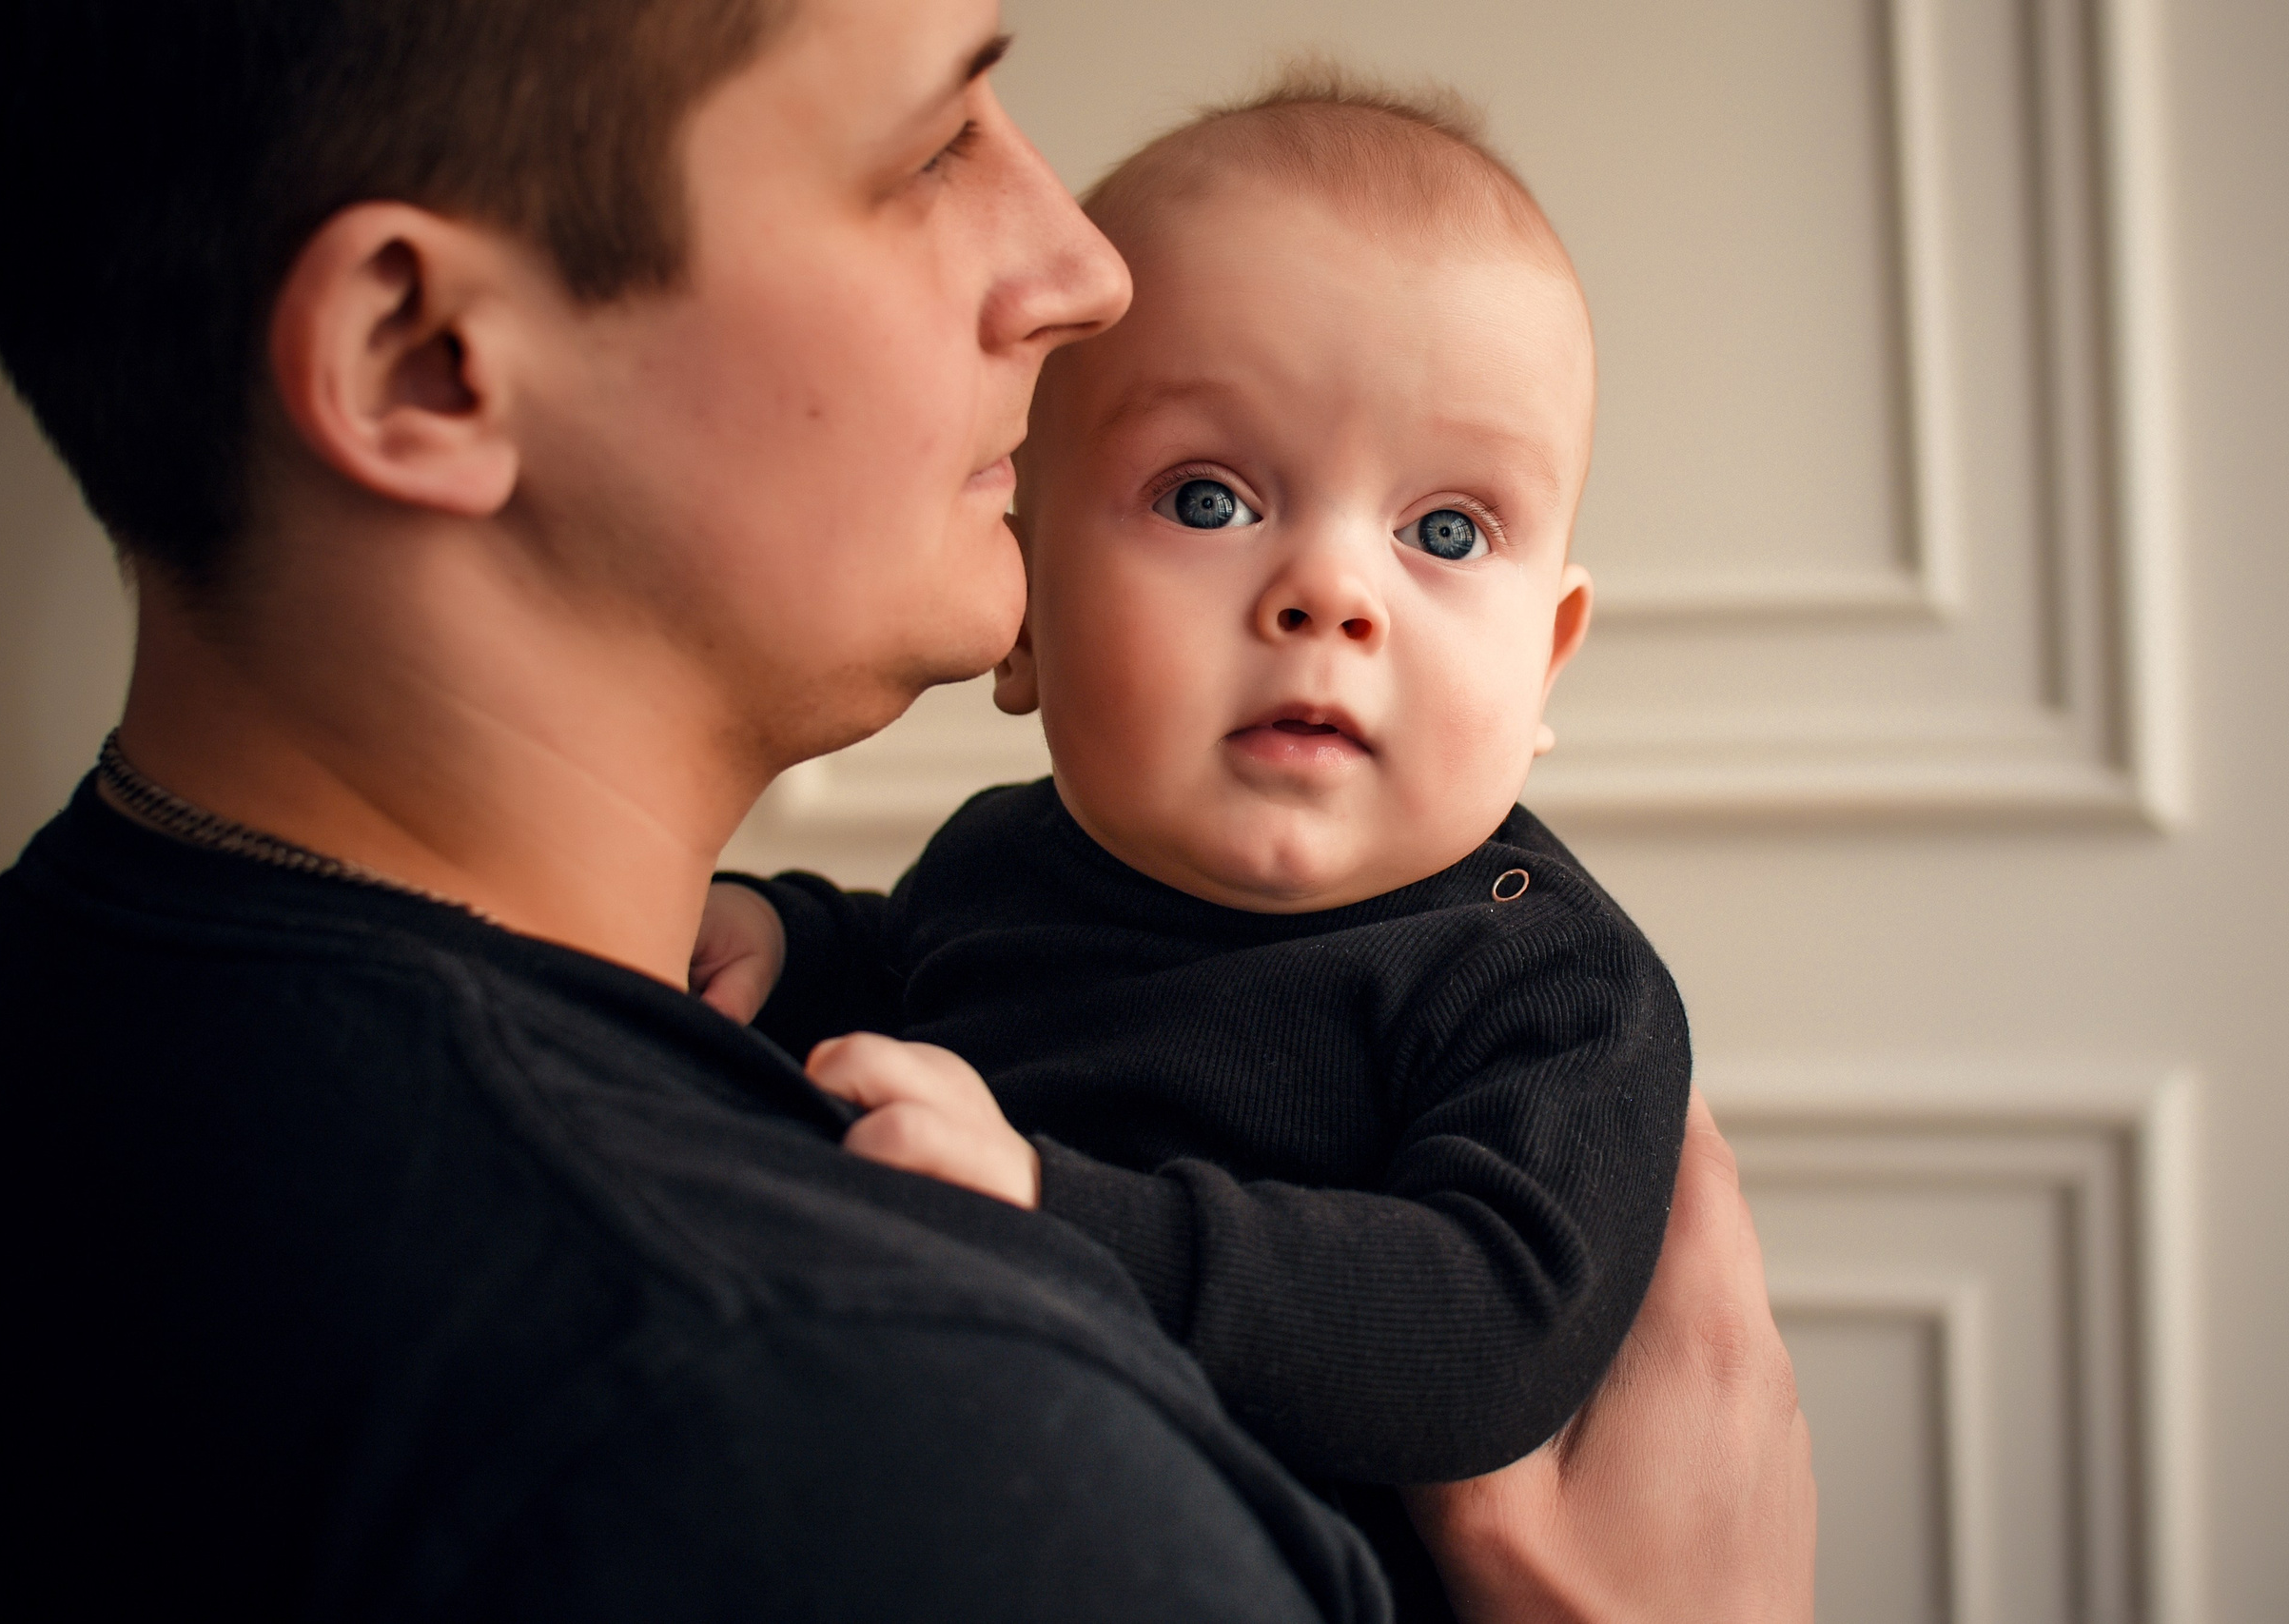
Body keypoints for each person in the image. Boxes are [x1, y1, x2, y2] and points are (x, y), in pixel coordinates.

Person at [0, 1, 1812, 1619]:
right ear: (426, 357)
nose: (1079, 269)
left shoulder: (87, 975)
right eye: (931, 147)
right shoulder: (896, 1448)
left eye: (1446, 529)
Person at [696, 75, 1686, 1621]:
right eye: (1209, 497)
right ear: (1025, 611)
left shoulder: (1544, 985)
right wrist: (788, 939)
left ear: (1545, 666)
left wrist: (1048, 1214)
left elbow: (1490, 1334)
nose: (1329, 594)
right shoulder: (996, 867)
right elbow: (906, 966)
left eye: (1444, 532)